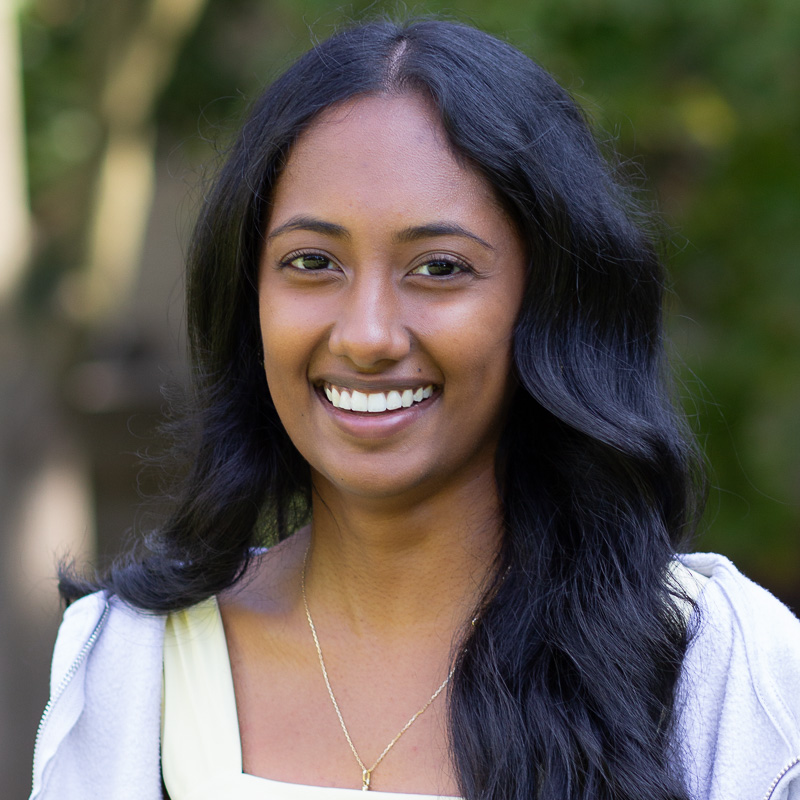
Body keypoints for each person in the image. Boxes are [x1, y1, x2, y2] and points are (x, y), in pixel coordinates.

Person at [30, 17, 800, 800]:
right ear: (248, 297)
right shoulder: (130, 668)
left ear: (548, 303)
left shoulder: (717, 668)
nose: (367, 335)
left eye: (439, 267)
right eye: (312, 262)